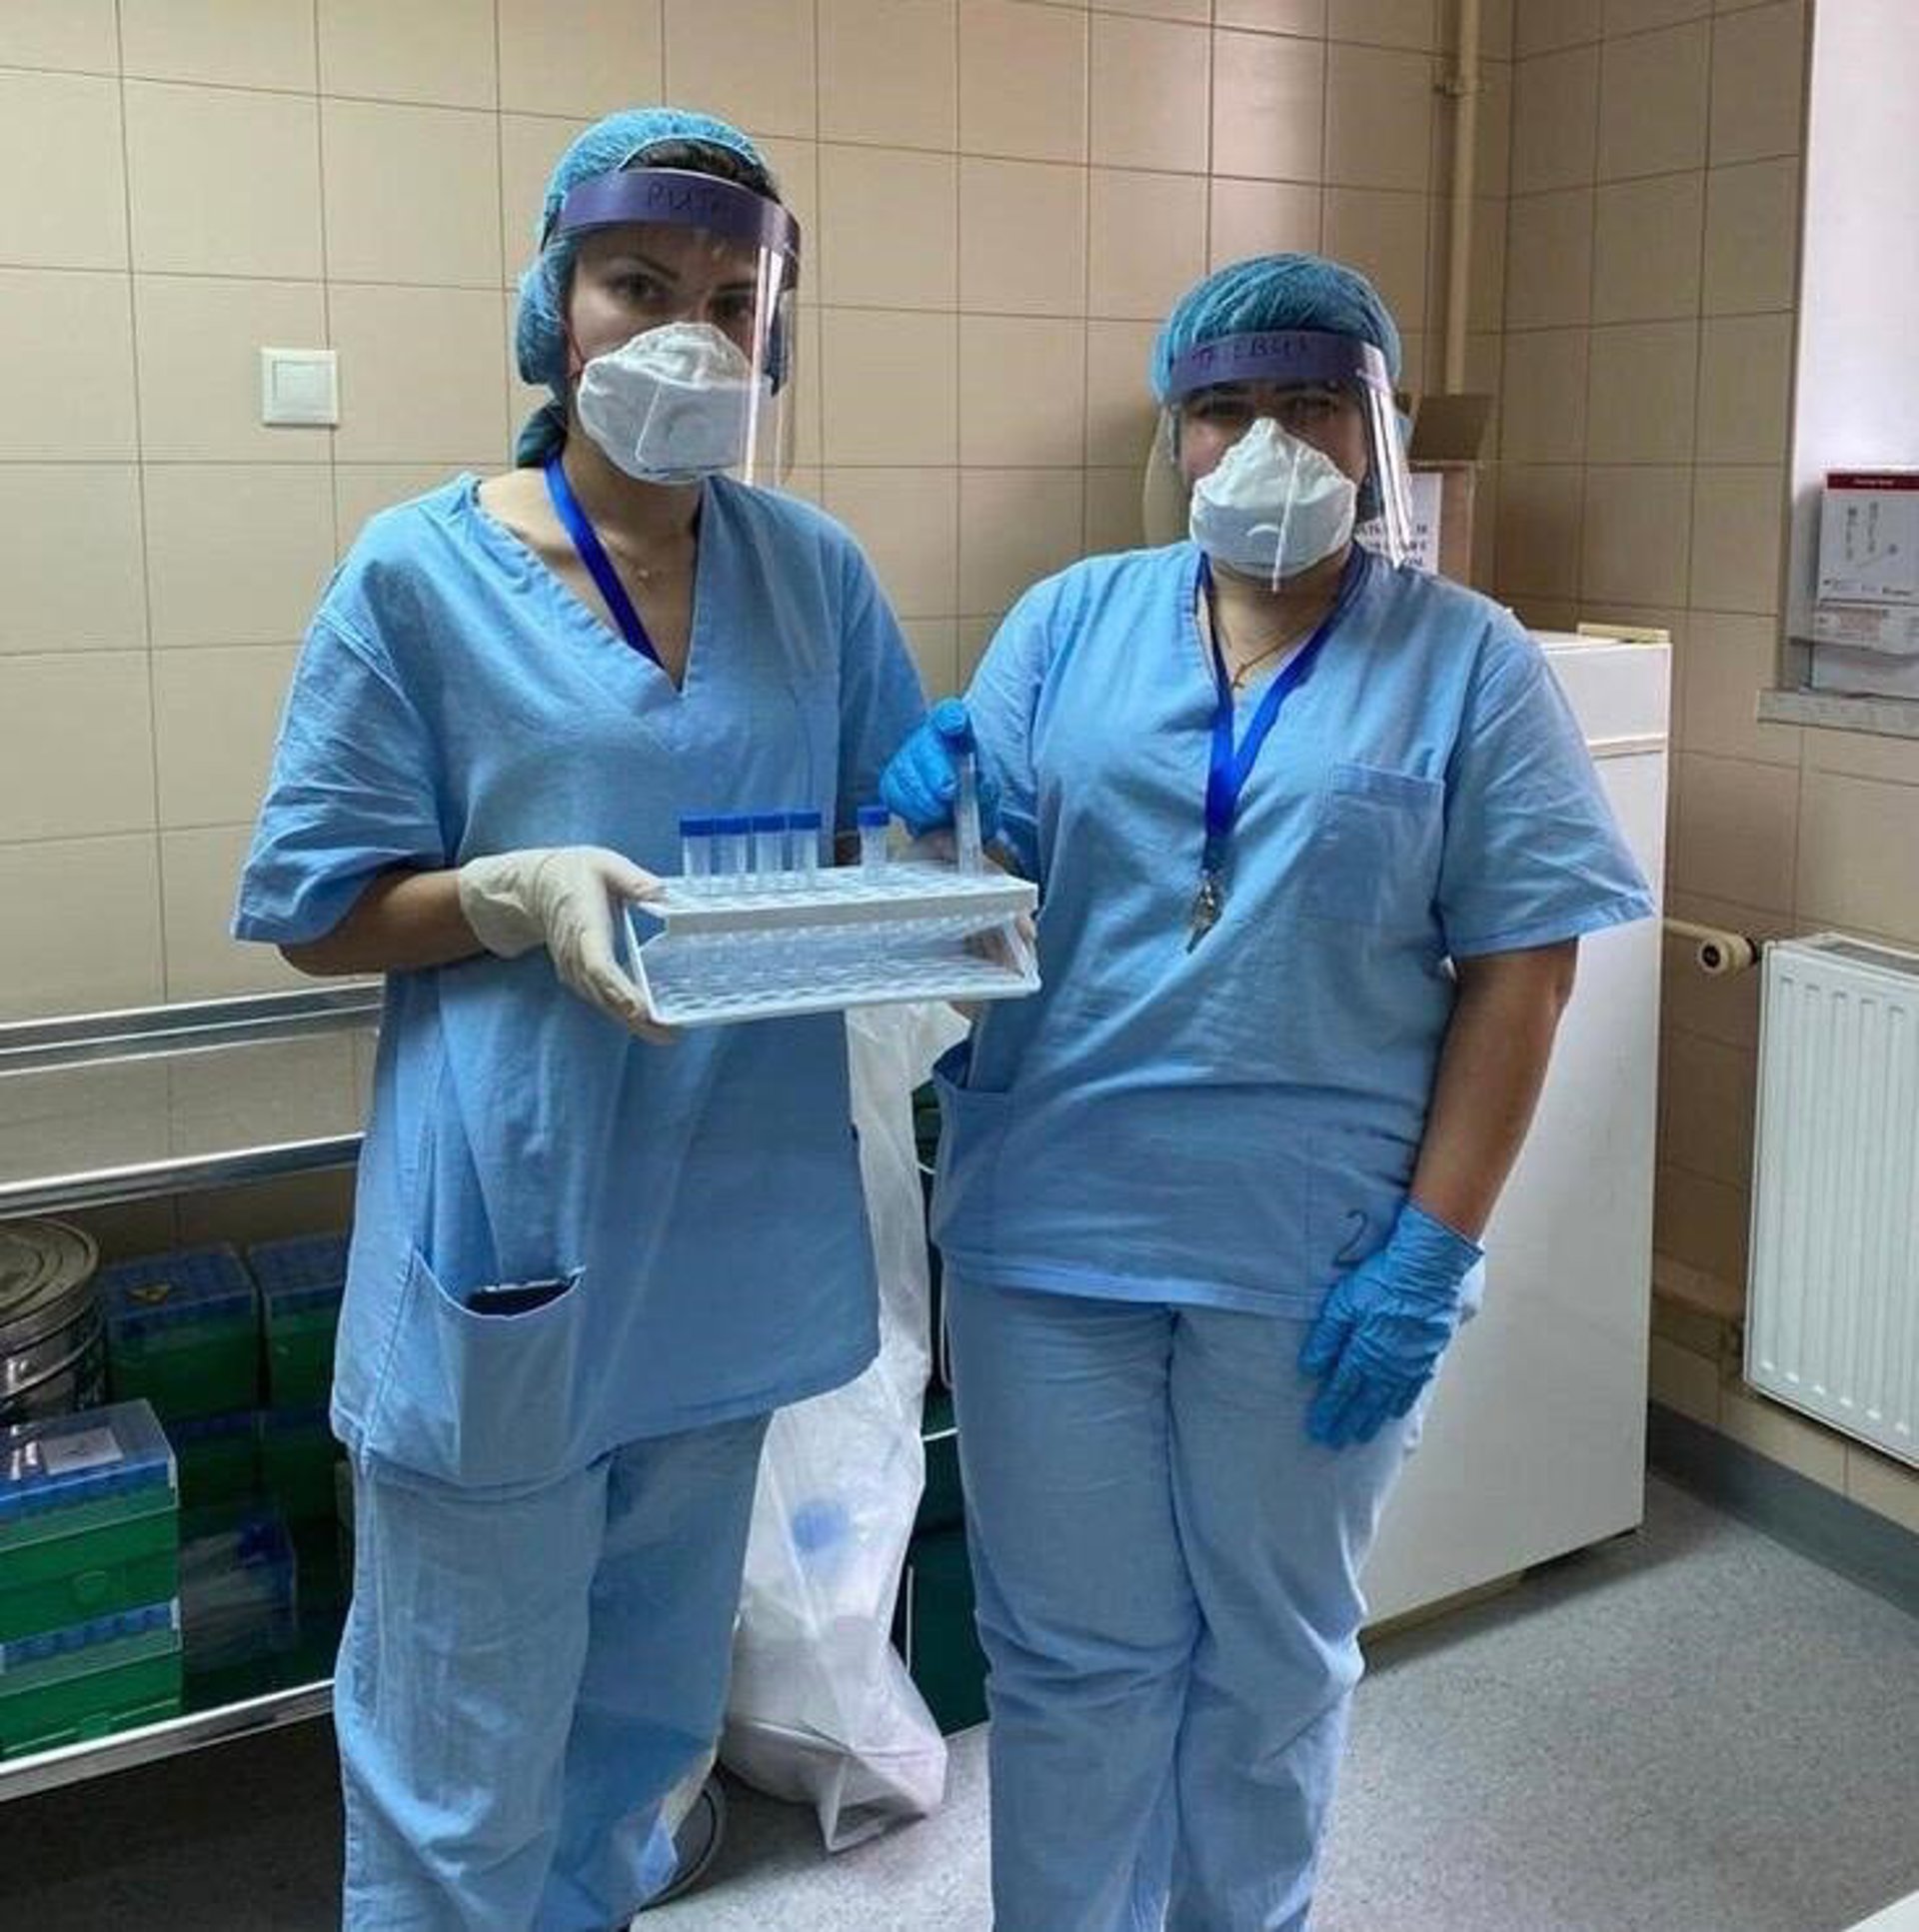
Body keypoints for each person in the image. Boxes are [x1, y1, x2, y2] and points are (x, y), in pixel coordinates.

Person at [882, 254, 1655, 1931]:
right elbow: (980, 905)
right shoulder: (1068, 623)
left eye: (1310, 401)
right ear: (1175, 431)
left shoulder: (1468, 661)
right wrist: (930, 817)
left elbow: (1524, 970)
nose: (1267, 441)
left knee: (1273, 1659)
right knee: (1071, 1661)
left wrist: (1432, 1251)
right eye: (1224, 406)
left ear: (1377, 429)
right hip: (1052, 1234)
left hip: (1315, 1255)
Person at [233, 108, 924, 1929]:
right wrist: (500, 895)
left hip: (724, 1250)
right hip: (515, 1249)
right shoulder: (418, 576)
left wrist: (948, 824)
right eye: (639, 285)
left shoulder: (814, 577)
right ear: (554, 306)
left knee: (636, 1752)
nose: (690, 335)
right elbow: (313, 909)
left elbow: (891, 828)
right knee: (459, 1780)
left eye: (732, 302)